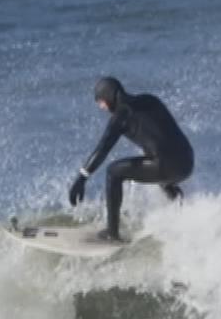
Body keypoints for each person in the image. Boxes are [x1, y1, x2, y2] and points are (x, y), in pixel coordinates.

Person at [67, 76, 193, 241]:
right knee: (164, 180)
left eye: (101, 103)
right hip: (187, 162)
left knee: (113, 172)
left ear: (109, 97)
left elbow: (103, 149)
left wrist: (82, 178)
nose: (102, 108)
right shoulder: (150, 100)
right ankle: (184, 217)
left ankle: (112, 234)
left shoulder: (121, 116)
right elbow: (164, 135)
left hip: (165, 165)